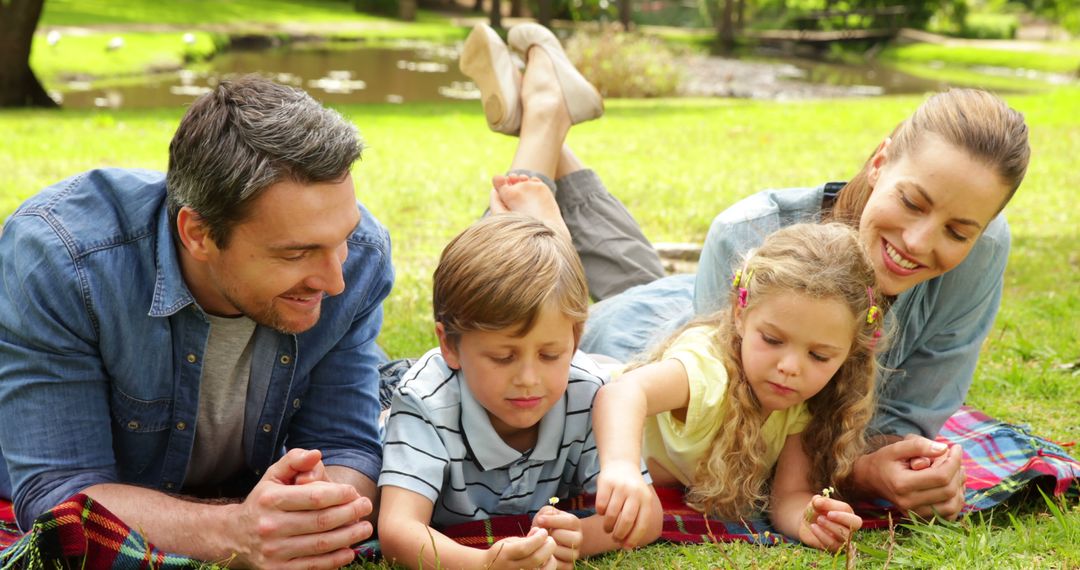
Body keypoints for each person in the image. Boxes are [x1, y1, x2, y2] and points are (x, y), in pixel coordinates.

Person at [459, 23, 1031, 521]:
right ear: (879, 162)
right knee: (532, 282)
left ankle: (553, 120)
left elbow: (912, 416)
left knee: (642, 277)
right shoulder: (749, 232)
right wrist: (859, 472)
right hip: (645, 340)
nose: (918, 241)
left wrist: (897, 461)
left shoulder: (983, 250)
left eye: (959, 231)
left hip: (676, 296)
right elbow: (734, 429)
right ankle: (542, 127)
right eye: (912, 201)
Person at [0, 75, 393, 569]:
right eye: (296, 253)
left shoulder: (358, 258)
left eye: (341, 238)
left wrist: (313, 509)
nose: (335, 280)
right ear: (198, 234)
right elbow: (61, 494)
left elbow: (348, 446)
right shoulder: (62, 262)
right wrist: (238, 531)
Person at [377, 213, 663, 570]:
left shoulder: (587, 392)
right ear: (450, 345)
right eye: (503, 356)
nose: (528, 378)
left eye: (549, 354)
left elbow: (649, 516)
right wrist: (483, 565)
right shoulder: (425, 402)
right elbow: (397, 530)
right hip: (387, 393)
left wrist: (577, 540)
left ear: (574, 340)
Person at [594, 222, 884, 551]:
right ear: (740, 314)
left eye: (818, 355)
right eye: (772, 340)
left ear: (849, 354)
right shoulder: (708, 373)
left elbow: (788, 497)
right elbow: (623, 392)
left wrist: (811, 519)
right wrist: (622, 467)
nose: (789, 367)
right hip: (570, 408)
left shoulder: (803, 405)